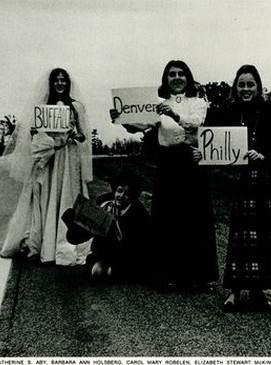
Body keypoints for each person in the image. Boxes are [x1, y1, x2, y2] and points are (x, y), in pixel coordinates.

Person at [110, 60, 218, 289]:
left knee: (193, 217)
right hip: (168, 162)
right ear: (165, 79)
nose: (177, 78)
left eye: (181, 74)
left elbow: (196, 124)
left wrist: (175, 115)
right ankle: (166, 274)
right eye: (171, 74)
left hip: (192, 162)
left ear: (188, 78)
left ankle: (197, 277)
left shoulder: (198, 102)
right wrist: (121, 119)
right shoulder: (158, 103)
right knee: (167, 216)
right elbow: (141, 125)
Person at [206, 65, 271, 312]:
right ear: (236, 87)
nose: (246, 89)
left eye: (250, 84)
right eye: (242, 84)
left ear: (258, 86)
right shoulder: (227, 112)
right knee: (242, 236)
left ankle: (258, 292)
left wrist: (264, 153)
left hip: (269, 179)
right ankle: (234, 292)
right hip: (242, 180)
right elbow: (214, 143)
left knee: (264, 236)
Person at [0, 68, 93, 265]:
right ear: (51, 84)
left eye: (63, 80)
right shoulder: (43, 107)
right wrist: (35, 132)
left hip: (68, 155)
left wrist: (77, 136)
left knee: (68, 195)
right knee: (45, 195)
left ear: (67, 84)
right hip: (49, 157)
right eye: (56, 81)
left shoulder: (76, 107)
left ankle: (67, 243)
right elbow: (35, 132)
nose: (60, 83)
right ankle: (43, 243)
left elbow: (84, 134)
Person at [62, 173, 150, 282]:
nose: (121, 196)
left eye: (127, 193)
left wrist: (116, 222)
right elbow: (77, 237)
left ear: (133, 195)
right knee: (96, 272)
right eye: (119, 191)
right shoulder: (104, 201)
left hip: (127, 255)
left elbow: (135, 245)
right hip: (103, 252)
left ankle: (124, 272)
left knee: (110, 272)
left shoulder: (138, 213)